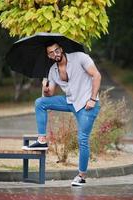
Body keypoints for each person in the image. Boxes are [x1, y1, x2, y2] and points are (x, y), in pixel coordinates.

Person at [22, 41, 101, 186]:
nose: (55, 54)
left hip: (86, 104)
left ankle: (81, 175)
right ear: (48, 55)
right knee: (40, 102)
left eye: (56, 50)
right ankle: (42, 140)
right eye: (51, 53)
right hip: (70, 102)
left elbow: (97, 75)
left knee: (83, 139)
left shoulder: (80, 57)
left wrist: (93, 99)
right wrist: (45, 88)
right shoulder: (52, 70)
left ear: (61, 49)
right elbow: (50, 93)